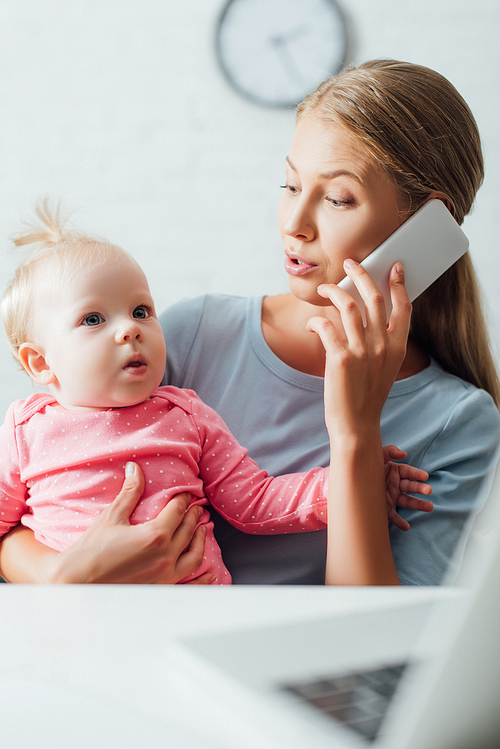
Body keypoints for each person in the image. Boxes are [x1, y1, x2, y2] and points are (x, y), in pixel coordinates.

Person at [1, 59, 499, 585]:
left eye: (337, 198)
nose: (293, 223)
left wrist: (354, 432)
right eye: (289, 185)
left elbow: (371, 640)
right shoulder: (192, 337)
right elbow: (30, 513)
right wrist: (64, 575)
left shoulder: (457, 422)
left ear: (427, 226)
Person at [0, 203, 431, 585]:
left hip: (197, 619)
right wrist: (54, 575)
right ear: (40, 363)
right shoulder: (26, 431)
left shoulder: (187, 415)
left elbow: (255, 502)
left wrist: (353, 483)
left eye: (140, 311)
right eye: (93, 319)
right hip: (74, 628)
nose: (129, 328)